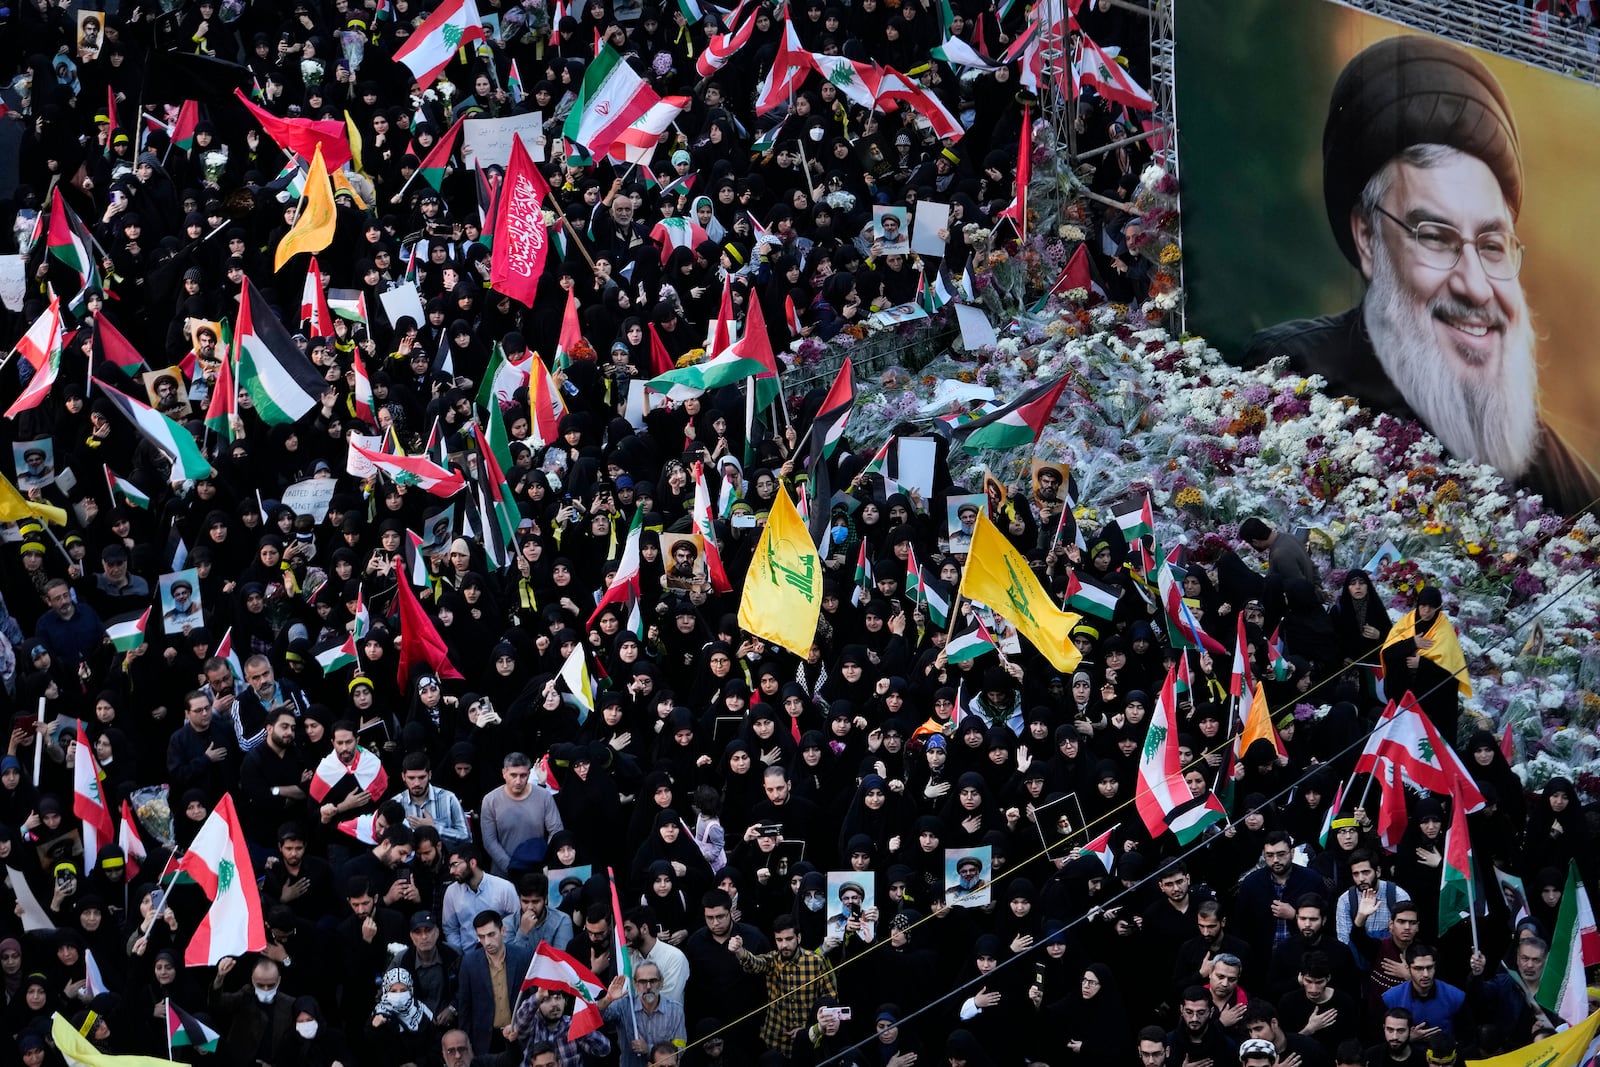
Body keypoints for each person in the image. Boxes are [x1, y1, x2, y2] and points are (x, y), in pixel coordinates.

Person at [1244, 35, 1600, 514]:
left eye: (1493, 246)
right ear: (1368, 238)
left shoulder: (1575, 494)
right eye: (1435, 237)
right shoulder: (1289, 374)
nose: (1475, 286)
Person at [457, 909, 535, 1055]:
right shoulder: (469, 963)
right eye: (481, 937)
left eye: (491, 935)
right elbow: (465, 1008)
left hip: (518, 1034)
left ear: (503, 931)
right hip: (485, 1039)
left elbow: (533, 997)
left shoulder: (523, 957)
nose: (487, 942)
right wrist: (465, 1045)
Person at [480, 753, 564, 876]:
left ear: (529, 774)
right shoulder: (490, 800)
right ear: (504, 773)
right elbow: (489, 841)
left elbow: (556, 830)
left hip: (536, 870)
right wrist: (510, 866)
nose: (518, 781)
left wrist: (545, 859)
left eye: (523, 775)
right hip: (504, 874)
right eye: (513, 775)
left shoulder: (544, 796)